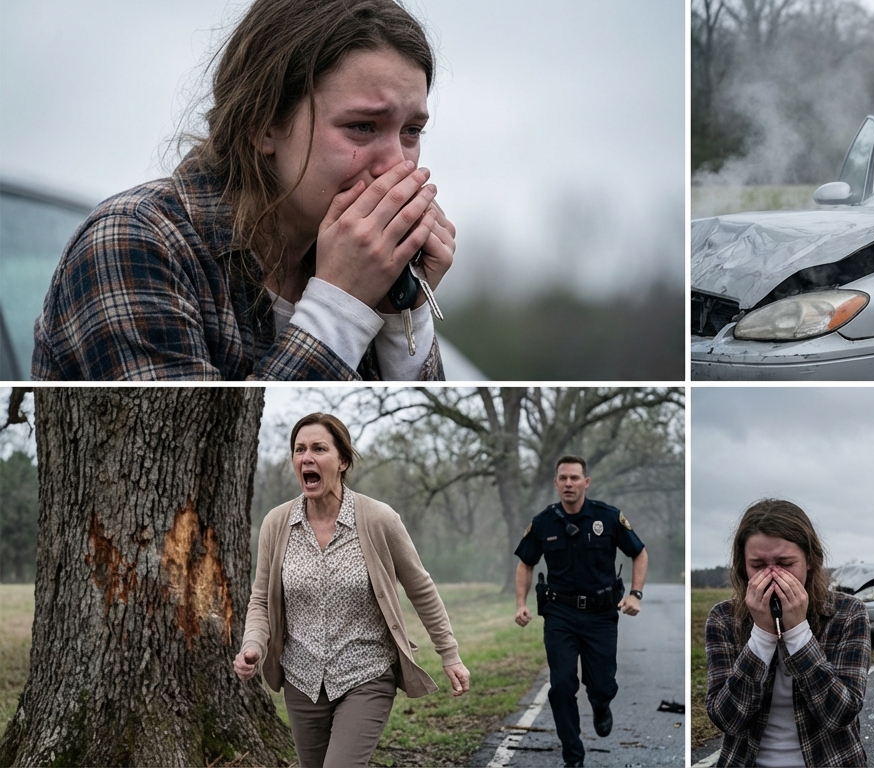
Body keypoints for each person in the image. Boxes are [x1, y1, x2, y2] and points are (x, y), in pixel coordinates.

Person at [33, 0, 455, 381]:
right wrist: (338, 309)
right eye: (362, 127)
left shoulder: (355, 265)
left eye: (411, 131)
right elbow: (193, 456)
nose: (397, 166)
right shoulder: (135, 241)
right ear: (262, 123)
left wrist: (403, 312)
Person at [233, 412, 470, 767]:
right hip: (302, 680)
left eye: (318, 448)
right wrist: (253, 645)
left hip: (366, 674)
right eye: (299, 450)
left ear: (342, 461)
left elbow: (420, 587)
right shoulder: (277, 523)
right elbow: (260, 599)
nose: (306, 457)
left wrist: (448, 653)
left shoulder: (378, 519)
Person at [705, 499, 869, 767]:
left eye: (785, 563)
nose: (772, 576)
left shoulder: (849, 613)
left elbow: (840, 714)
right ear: (742, 567)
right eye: (758, 565)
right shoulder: (723, 619)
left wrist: (798, 634)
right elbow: (727, 719)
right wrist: (762, 636)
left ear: (812, 561)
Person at [513, 456, 648, 768]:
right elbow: (525, 562)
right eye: (563, 478)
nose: (568, 483)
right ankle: (573, 756)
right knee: (561, 686)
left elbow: (639, 552)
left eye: (574, 478)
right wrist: (520, 604)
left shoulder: (609, 517)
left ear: (586, 482)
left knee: (601, 686)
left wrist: (636, 594)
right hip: (559, 614)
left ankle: (601, 706)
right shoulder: (544, 522)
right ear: (556, 483)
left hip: (601, 616)